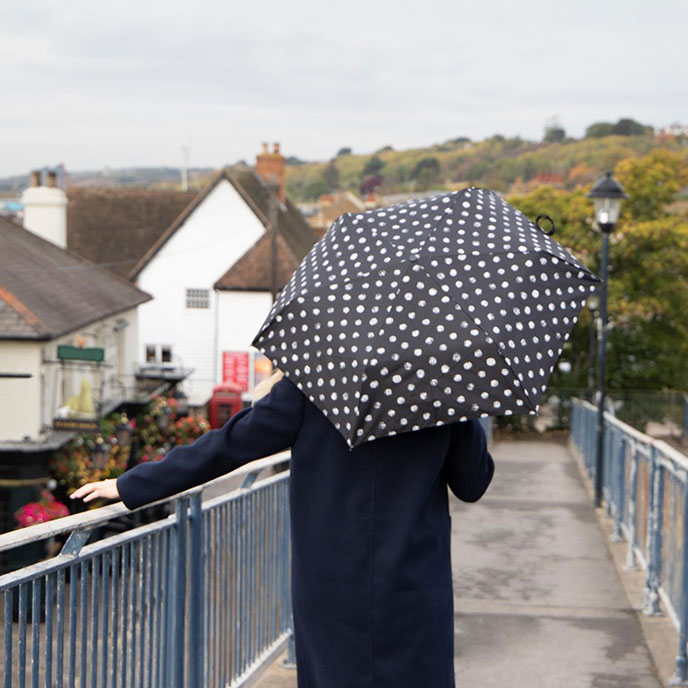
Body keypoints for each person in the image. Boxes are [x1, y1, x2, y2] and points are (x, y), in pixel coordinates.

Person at [71, 369, 495, 688]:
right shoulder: (446, 389)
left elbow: (228, 445)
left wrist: (130, 485)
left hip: (331, 586)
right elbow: (473, 483)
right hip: (414, 585)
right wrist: (468, 408)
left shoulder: (316, 380)